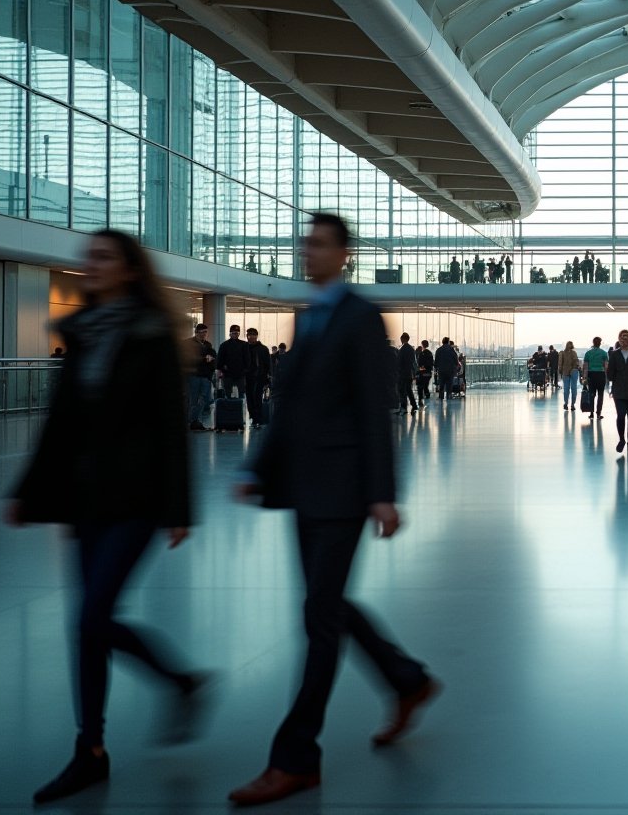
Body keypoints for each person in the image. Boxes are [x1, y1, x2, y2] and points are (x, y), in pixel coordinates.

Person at [229, 213, 437, 808]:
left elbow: (377, 408)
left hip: (344, 491)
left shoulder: (359, 318)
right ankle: (408, 681)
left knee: (319, 618)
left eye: (317, 244)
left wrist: (383, 492)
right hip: (306, 487)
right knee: (326, 605)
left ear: (343, 254)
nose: (306, 251)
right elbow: (292, 407)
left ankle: (295, 758)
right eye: (304, 242)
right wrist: (254, 467)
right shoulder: (310, 316)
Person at [8, 229, 208, 804]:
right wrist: (28, 490)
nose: (89, 264)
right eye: (88, 256)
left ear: (128, 270)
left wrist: (179, 508)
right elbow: (61, 423)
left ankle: (179, 681)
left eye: (102, 257)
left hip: (139, 499)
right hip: (87, 497)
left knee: (94, 614)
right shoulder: (82, 335)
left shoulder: (151, 337)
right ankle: (90, 749)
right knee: (87, 624)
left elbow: (172, 429)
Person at [188, 322, 216, 430]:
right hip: (193, 375)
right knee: (193, 399)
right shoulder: (189, 343)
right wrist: (204, 359)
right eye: (202, 332)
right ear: (196, 332)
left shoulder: (208, 345)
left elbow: (213, 355)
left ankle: (195, 420)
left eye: (205, 332)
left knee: (204, 399)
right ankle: (193, 421)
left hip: (205, 376)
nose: (204, 334)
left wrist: (211, 358)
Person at [245, 327, 272, 427]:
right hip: (248, 377)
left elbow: (267, 364)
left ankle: (257, 418)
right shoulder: (245, 348)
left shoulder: (263, 349)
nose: (251, 337)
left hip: (259, 377)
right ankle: (253, 416)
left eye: (253, 335)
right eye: (249, 335)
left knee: (257, 397)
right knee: (249, 398)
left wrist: (267, 377)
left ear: (256, 336)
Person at [217, 324, 249, 400]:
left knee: (242, 394)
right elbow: (220, 359)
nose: (235, 334)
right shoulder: (224, 345)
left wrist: (245, 370)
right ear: (230, 333)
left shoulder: (244, 345)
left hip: (240, 374)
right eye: (234, 333)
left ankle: (240, 409)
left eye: (237, 333)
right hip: (228, 374)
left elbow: (247, 359)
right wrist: (220, 369)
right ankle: (229, 409)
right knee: (228, 394)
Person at [583, 335, 609, 418]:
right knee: (600, 395)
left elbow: (585, 367)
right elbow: (606, 367)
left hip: (591, 375)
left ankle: (591, 413)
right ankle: (598, 413)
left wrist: (585, 378)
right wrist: (608, 377)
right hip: (601, 375)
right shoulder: (604, 353)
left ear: (593, 343)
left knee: (591, 394)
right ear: (600, 343)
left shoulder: (588, 353)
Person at [395, 333, 418, 413]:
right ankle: (414, 405)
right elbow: (413, 362)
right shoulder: (411, 349)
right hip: (409, 373)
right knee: (408, 390)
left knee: (401, 390)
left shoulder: (402, 349)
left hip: (402, 373)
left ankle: (403, 407)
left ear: (402, 339)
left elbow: (398, 362)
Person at [433, 336, 459, 400]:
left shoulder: (438, 350)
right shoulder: (452, 350)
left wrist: (436, 368)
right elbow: (456, 361)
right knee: (449, 386)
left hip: (441, 371)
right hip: (450, 371)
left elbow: (436, 362)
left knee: (441, 385)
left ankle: (441, 398)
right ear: (448, 342)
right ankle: (448, 397)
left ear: (442, 342)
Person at [557, 340, 581, 409]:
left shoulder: (562, 353)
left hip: (565, 372)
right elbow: (576, 362)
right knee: (574, 389)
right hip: (574, 372)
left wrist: (560, 371)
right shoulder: (574, 353)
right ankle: (573, 404)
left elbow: (560, 363)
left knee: (566, 389)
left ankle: (566, 403)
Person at [415, 340, 434, 404]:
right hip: (428, 372)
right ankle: (427, 394)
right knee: (426, 384)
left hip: (422, 372)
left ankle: (421, 398)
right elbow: (432, 363)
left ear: (422, 344)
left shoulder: (421, 353)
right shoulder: (430, 353)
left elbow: (419, 363)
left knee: (420, 385)